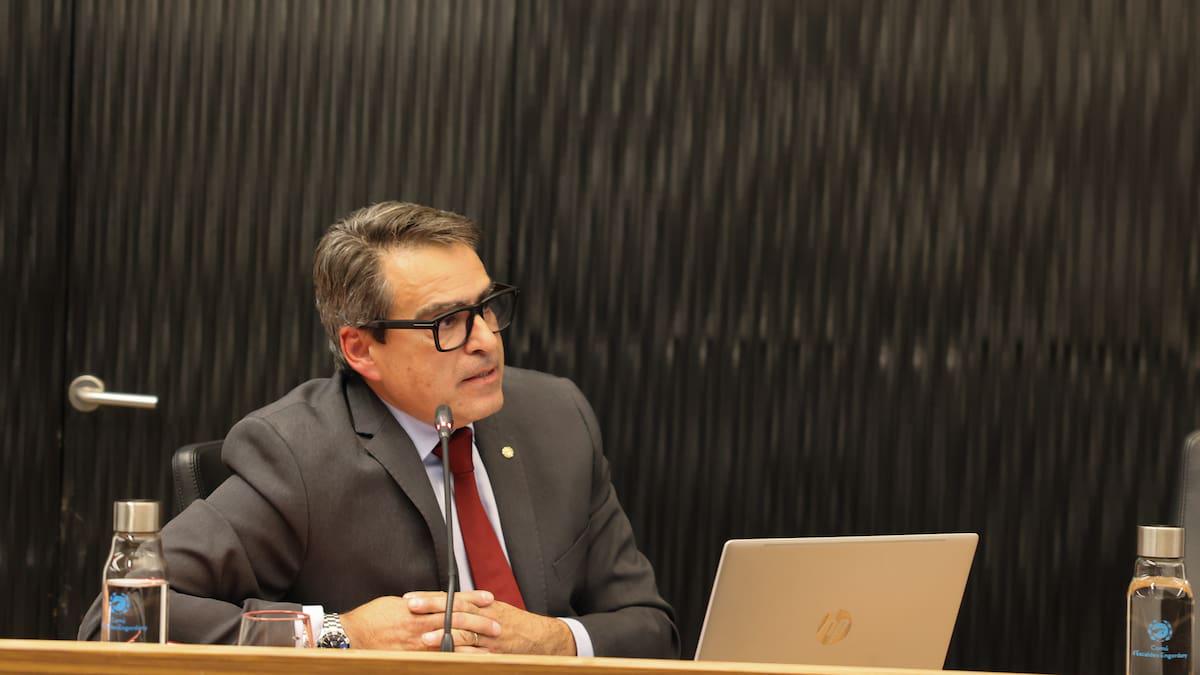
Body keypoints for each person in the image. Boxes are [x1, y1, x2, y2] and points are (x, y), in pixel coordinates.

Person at [78, 201, 679, 658]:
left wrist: (555, 640)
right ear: (361, 349)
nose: (486, 340)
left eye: (487, 307)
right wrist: (339, 632)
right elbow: (119, 617)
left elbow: (650, 626)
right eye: (447, 322)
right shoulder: (298, 454)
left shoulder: (556, 417)